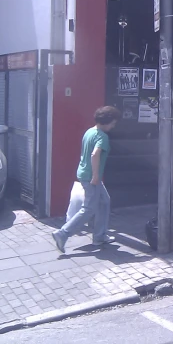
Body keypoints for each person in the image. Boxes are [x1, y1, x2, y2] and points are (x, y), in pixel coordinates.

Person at [52, 106, 121, 253]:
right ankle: (63, 233)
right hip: (91, 177)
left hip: (84, 173)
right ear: (107, 122)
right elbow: (95, 154)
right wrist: (96, 176)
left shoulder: (89, 132)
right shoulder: (102, 137)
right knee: (88, 209)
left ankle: (99, 237)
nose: (113, 126)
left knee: (104, 201)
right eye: (113, 123)